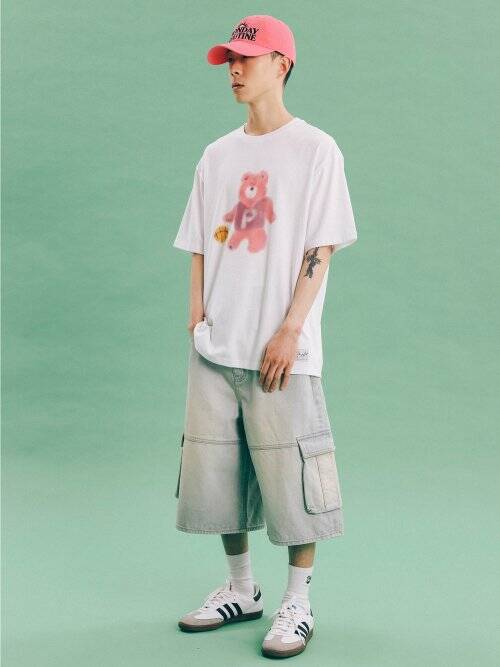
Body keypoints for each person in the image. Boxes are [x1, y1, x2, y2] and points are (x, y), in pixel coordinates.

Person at [172, 14, 358, 659]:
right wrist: (197, 319)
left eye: (247, 58)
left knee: (293, 474)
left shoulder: (315, 149)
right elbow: (199, 242)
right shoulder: (217, 155)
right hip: (216, 347)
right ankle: (240, 588)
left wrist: (290, 328)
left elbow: (321, 246)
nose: (234, 68)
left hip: (281, 350)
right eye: (229, 58)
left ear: (282, 64)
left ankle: (297, 600)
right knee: (219, 472)